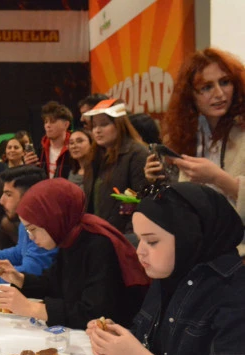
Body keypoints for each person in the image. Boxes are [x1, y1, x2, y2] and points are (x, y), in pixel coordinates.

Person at [86, 183, 245, 355]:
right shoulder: (170, 274)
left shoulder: (234, 294)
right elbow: (147, 341)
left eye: (152, 241)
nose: (139, 251)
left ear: (188, 238)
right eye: (139, 239)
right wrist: (116, 340)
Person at [0, 178, 149, 329]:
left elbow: (95, 313)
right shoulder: (69, 238)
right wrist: (19, 279)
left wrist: (32, 308)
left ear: (53, 219)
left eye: (32, 229)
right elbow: (54, 284)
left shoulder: (98, 245)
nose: (31, 237)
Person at [144, 48, 245, 254]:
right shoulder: (188, 137)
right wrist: (157, 179)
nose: (219, 94)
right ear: (191, 95)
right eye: (206, 87)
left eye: (225, 82)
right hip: (200, 249)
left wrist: (218, 178)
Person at [83, 99, 149, 233]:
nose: (97, 130)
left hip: (123, 235)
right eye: (94, 125)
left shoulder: (137, 154)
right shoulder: (95, 155)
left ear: (119, 124)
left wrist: (129, 237)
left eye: (104, 124)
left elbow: (140, 202)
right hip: (97, 232)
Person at [24, 101, 73, 179]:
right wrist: (29, 168)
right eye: (46, 122)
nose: (47, 125)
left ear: (66, 124)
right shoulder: (39, 151)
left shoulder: (74, 149)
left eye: (52, 121)